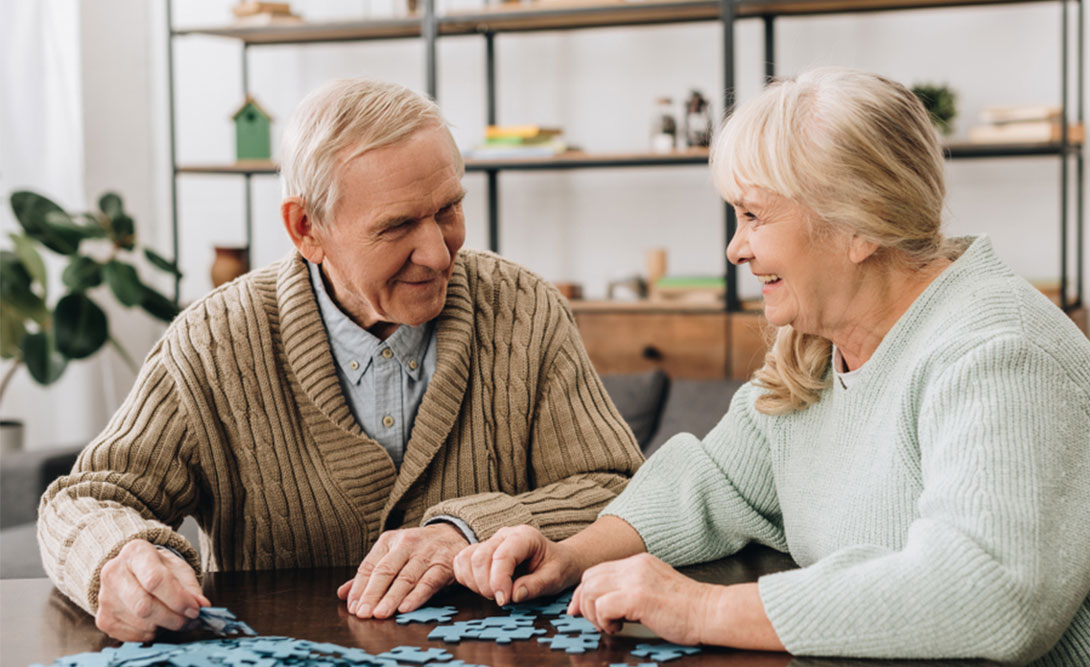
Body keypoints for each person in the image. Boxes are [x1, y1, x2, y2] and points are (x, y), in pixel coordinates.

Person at [452, 67, 1090, 664]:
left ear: (857, 223)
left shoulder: (1002, 355)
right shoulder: (818, 345)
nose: (734, 249)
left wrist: (702, 607)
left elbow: (987, 596)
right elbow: (715, 482)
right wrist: (569, 554)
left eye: (753, 215)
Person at [37, 78, 643, 642]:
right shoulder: (212, 341)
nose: (437, 253)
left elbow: (622, 492)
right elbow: (86, 500)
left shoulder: (525, 310)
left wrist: (463, 532)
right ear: (307, 229)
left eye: (448, 210)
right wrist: (119, 557)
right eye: (398, 226)